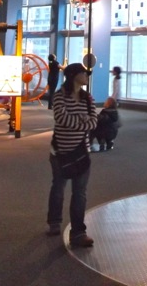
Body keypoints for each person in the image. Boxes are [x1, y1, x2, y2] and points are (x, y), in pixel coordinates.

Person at [46, 63, 98, 247]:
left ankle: (78, 232)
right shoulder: (60, 95)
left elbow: (94, 122)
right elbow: (61, 118)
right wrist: (83, 121)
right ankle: (54, 221)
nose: (87, 76)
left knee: (80, 193)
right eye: (84, 73)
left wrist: (79, 122)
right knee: (58, 188)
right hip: (60, 152)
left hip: (82, 152)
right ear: (75, 75)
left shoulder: (87, 98)